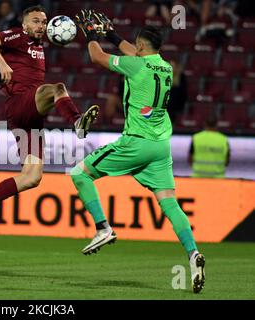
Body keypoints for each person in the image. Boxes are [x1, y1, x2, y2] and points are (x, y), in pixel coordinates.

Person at [72, 11, 205, 293]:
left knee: (79, 174)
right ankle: (193, 254)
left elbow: (97, 58)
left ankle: (102, 227)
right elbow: (135, 53)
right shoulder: (165, 67)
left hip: (136, 142)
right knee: (169, 203)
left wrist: (93, 35)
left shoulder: (135, 66)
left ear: (141, 48)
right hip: (160, 146)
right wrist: (113, 36)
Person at [0, 5, 100, 237]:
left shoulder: (38, 44)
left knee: (32, 177)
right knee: (57, 88)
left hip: (28, 118)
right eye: (36, 21)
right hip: (20, 104)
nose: (41, 26)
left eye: (44, 22)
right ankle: (77, 121)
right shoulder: (18, 35)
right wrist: (0, 62)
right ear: (24, 24)